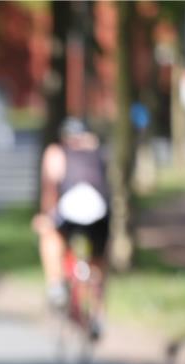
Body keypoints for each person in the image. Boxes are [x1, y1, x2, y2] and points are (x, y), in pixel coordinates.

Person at [32, 117, 112, 340]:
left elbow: (50, 188)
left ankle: (56, 284)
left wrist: (46, 216)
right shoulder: (100, 152)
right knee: (98, 267)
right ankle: (98, 316)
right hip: (100, 212)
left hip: (69, 209)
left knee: (49, 236)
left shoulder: (57, 152)